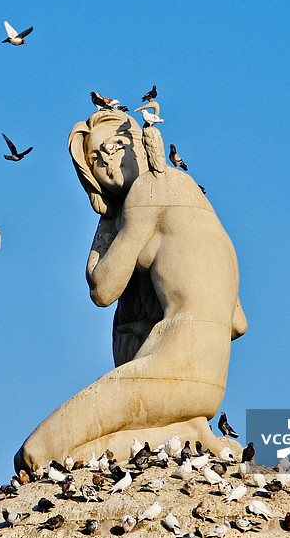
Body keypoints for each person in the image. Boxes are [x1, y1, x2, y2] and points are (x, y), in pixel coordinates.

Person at [14, 110, 246, 474]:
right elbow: (238, 322)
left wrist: (116, 221)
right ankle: (186, 433)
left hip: (170, 368)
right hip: (209, 380)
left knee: (36, 453)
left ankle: (183, 432)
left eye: (117, 145)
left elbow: (103, 288)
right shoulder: (193, 199)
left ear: (140, 146)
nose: (107, 157)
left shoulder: (149, 192)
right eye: (95, 157)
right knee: (85, 455)